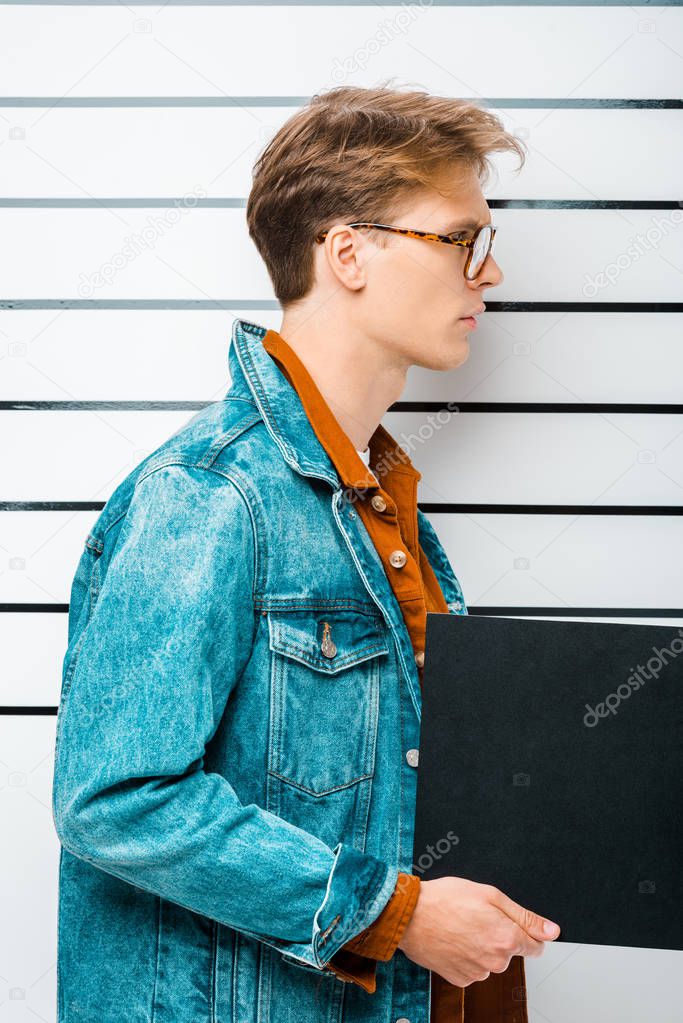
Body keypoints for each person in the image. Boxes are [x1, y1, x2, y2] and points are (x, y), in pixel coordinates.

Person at [52, 83, 560, 1023]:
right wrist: (395, 915)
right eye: (460, 239)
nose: (484, 274)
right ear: (348, 252)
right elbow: (114, 800)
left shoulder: (384, 506)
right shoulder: (209, 492)